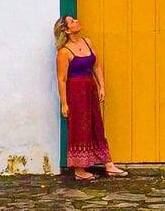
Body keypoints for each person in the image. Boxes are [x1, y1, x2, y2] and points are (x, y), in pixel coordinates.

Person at [54, 15, 129, 180]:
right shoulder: (64, 52)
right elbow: (62, 79)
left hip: (90, 89)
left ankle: (108, 164)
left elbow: (96, 66)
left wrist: (102, 86)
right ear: (66, 30)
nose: (76, 21)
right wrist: (64, 103)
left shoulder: (87, 42)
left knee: (96, 123)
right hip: (76, 92)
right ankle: (79, 170)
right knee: (79, 127)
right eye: (72, 21)